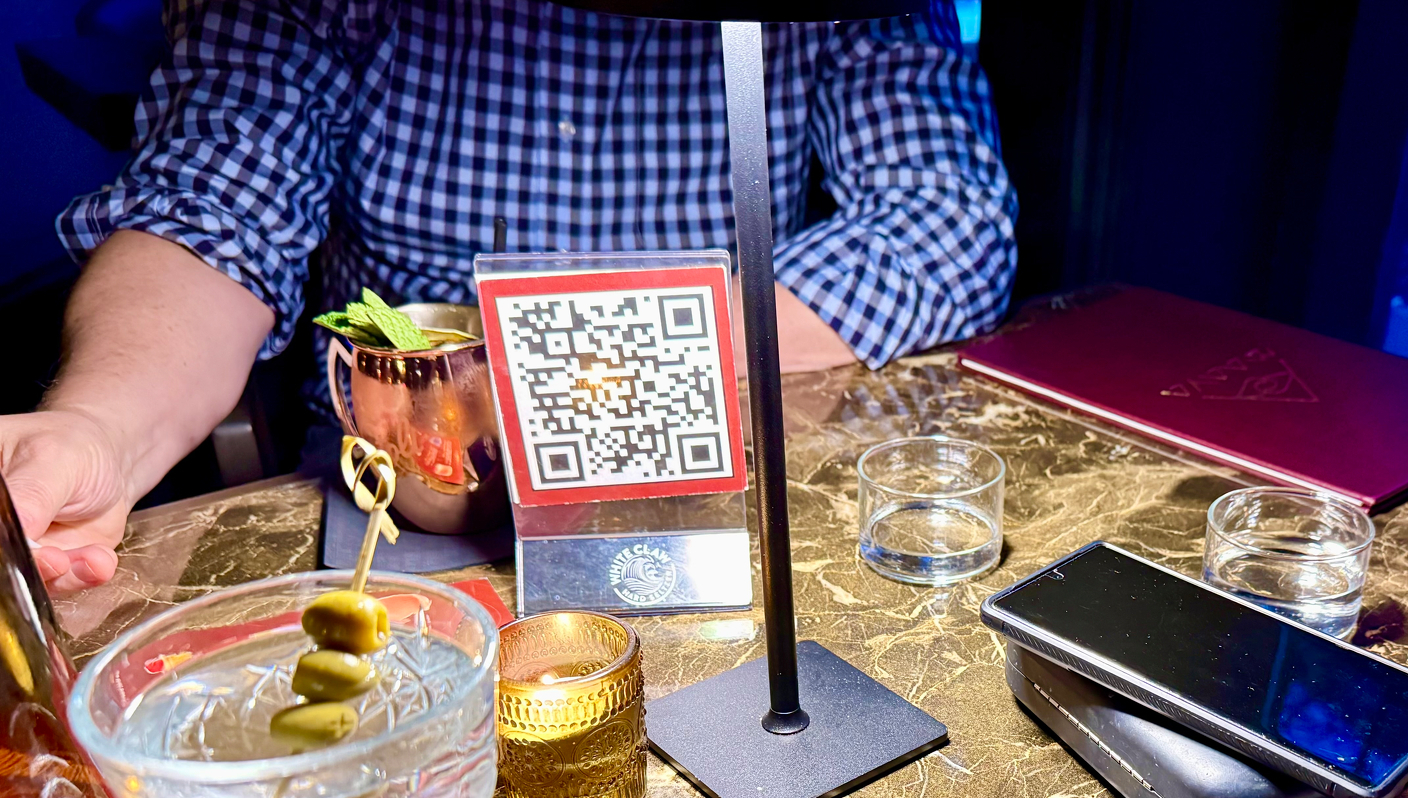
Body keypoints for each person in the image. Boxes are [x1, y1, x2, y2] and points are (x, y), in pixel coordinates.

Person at [0, 1, 1017, 593]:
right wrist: (98, 429)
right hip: (405, 511)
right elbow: (212, 205)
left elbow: (946, 217)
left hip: (724, 480)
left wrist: (557, 378)